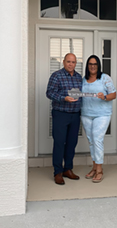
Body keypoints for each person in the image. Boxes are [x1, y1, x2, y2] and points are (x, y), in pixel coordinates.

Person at [46, 53, 82, 185]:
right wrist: (64, 98)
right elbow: (49, 93)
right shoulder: (56, 76)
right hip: (60, 114)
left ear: (75, 63)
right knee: (59, 143)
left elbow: (81, 94)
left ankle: (68, 169)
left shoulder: (79, 78)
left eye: (73, 62)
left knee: (72, 143)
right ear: (63, 62)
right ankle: (58, 172)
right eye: (68, 61)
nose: (70, 64)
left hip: (75, 115)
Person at [81, 55, 116, 183]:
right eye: (90, 64)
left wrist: (105, 97)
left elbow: (114, 94)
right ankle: (94, 167)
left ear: (98, 66)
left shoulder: (105, 78)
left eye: (95, 64)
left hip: (102, 114)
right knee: (91, 140)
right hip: (86, 114)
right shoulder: (83, 79)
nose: (92, 66)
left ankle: (100, 169)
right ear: (87, 66)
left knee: (97, 139)